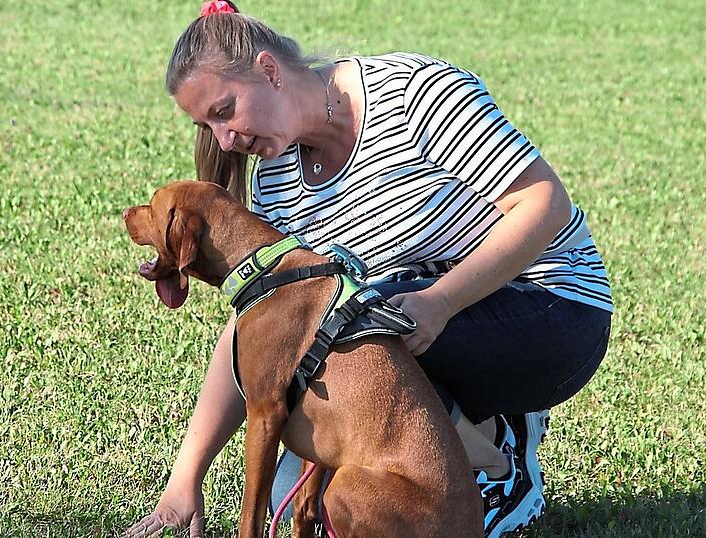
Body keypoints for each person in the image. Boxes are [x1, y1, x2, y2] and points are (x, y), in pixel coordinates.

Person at [126, 1, 612, 537]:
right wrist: (186, 476)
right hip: (415, 323)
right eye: (206, 126)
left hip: (551, 313)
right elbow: (266, 329)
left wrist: (441, 301)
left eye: (225, 111)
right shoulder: (275, 181)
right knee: (323, 495)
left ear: (268, 70)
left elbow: (546, 203)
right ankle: (462, 432)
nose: (224, 141)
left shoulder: (414, 94)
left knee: (367, 308)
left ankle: (497, 460)